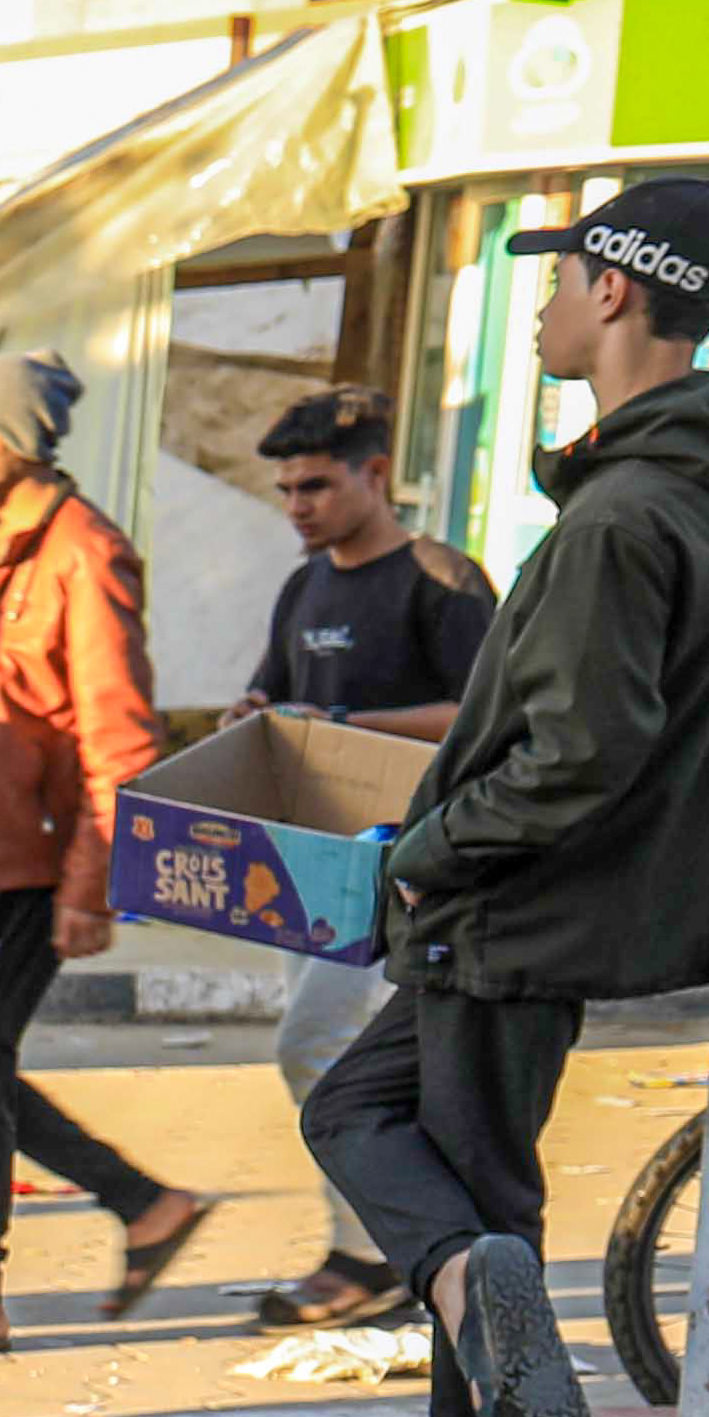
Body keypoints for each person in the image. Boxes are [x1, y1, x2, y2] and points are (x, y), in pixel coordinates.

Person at [307, 175, 709, 1417]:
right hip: (551, 898)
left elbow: (584, 750)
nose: (543, 313)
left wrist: (427, 851)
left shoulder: (628, 515)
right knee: (366, 1112)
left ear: (615, 290)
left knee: (474, 1185)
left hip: (519, 903)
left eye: (560, 281)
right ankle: (479, 1396)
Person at [0, 349, 214, 1355]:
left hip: (36, 859)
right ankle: (146, 1204)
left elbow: (122, 738)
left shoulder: (84, 555)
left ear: (17, 440)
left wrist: (92, 887)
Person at [235, 387, 499, 1331]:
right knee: (351, 1062)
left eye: (315, 484)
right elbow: (275, 695)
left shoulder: (443, 581)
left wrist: (345, 727)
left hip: (416, 872)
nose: (297, 504)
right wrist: (253, 720)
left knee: (315, 1049)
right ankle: (412, 1247)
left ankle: (373, 1253)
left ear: (375, 473)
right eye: (286, 489)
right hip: (313, 867)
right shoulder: (303, 587)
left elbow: (482, 718)